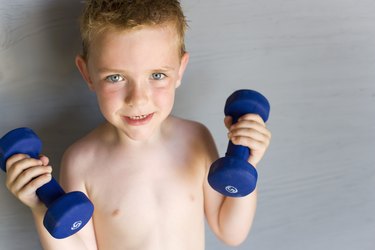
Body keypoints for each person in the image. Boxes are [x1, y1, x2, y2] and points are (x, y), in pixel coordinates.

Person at [5, 0, 271, 249]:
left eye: (157, 75)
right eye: (116, 77)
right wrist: (40, 207)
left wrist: (247, 165)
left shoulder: (196, 138)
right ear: (87, 73)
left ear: (180, 69)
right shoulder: (82, 160)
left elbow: (231, 232)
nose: (138, 98)